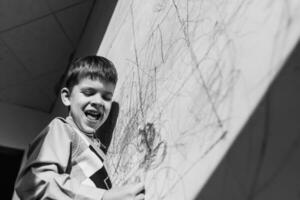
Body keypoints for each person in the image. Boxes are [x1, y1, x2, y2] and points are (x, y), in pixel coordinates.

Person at [14, 55, 145, 200]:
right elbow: (35, 182)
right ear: (66, 97)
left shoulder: (97, 147)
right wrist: (103, 196)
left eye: (106, 97)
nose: (98, 102)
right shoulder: (63, 129)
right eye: (89, 93)